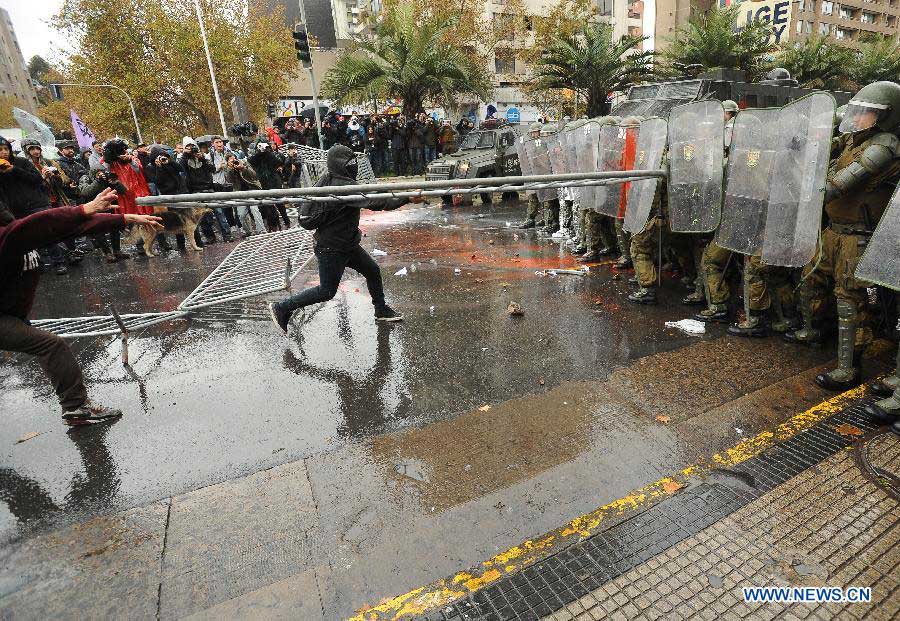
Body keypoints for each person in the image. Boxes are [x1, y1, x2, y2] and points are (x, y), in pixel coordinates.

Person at [0, 186, 162, 425]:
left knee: (45, 346)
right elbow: (35, 225)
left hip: (11, 315)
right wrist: (83, 208)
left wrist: (124, 218)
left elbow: (67, 229)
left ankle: (75, 407)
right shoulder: (9, 237)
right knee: (50, 345)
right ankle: (77, 407)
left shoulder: (15, 236)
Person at [786, 81, 900, 391]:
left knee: (849, 300)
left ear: (885, 117)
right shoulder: (851, 140)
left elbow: (838, 186)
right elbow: (815, 147)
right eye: (858, 110)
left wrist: (809, 184)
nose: (859, 116)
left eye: (867, 113)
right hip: (832, 230)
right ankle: (815, 330)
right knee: (809, 279)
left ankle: (848, 369)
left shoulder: (885, 145)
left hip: (857, 237)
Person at [268, 145, 409, 333]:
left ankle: (380, 309)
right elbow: (376, 201)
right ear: (340, 164)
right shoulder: (342, 186)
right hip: (331, 248)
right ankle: (282, 307)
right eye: (349, 163)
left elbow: (373, 195)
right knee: (326, 291)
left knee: (372, 270)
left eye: (354, 162)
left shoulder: (335, 180)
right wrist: (407, 198)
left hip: (347, 243)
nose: (353, 166)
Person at [224, 153, 267, 237]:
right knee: (241, 215)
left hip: (250, 190)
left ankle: (261, 230)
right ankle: (248, 231)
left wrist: (243, 168)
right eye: (231, 160)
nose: (234, 161)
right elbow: (229, 180)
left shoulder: (244, 163)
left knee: (254, 209)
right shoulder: (227, 169)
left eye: (234, 159)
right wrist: (230, 169)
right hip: (240, 193)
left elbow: (254, 175)